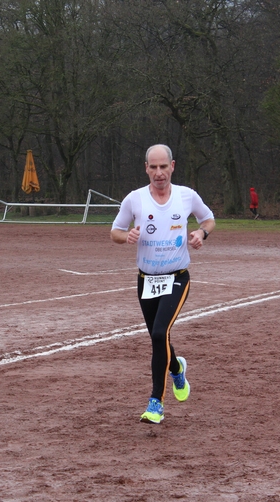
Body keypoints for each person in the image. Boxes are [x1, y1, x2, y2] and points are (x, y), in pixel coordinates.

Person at [111, 144, 215, 424]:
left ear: (172, 166)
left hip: (177, 277)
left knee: (159, 333)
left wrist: (201, 233)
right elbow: (115, 232)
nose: (159, 173)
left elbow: (208, 219)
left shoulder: (186, 196)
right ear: (146, 168)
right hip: (146, 281)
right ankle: (177, 368)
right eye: (153, 167)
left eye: (163, 166)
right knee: (160, 338)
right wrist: (126, 236)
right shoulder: (134, 199)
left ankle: (155, 403)